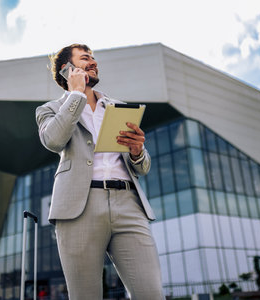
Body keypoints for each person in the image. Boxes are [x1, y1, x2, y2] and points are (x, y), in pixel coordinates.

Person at [35, 44, 164, 300]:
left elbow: (143, 167)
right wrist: (76, 95)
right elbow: (54, 140)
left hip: (129, 205)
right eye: (85, 59)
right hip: (79, 208)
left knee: (151, 294)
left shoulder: (119, 107)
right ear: (67, 69)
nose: (93, 62)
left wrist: (138, 151)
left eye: (94, 58)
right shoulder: (49, 110)